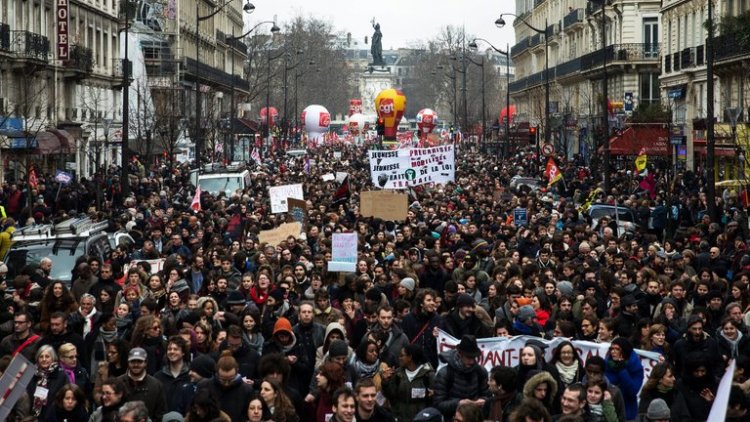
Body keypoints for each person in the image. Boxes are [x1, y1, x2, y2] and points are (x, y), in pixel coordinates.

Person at [432, 334, 488, 418]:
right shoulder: (445, 373)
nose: (472, 361)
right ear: (460, 354)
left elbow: (487, 396)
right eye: (468, 357)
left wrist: (484, 401)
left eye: (474, 357)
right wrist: (459, 403)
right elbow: (438, 404)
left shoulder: (480, 372)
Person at [381, 344, 435, 422]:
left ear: (410, 357)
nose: (399, 358)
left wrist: (433, 395)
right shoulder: (397, 374)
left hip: (421, 419)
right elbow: (390, 395)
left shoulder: (428, 375)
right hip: (400, 418)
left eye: (402, 356)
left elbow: (434, 400)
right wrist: (385, 382)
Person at [196, 350, 254, 421]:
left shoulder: (246, 390)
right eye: (223, 380)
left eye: (230, 379)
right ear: (217, 373)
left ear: (237, 372)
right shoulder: (204, 386)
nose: (226, 384)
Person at [116, 347, 168, 421]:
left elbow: (161, 413)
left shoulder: (156, 385)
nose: (136, 364)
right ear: (128, 362)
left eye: (139, 361)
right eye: (133, 361)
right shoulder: (118, 383)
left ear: (145, 363)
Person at [27, 344, 67, 420]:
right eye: (41, 356)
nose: (44, 359)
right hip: (33, 417)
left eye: (47, 356)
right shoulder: (31, 374)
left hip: (54, 417)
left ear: (53, 358)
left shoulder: (61, 375)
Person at [154, 335, 191, 413]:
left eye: (176, 349)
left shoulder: (190, 375)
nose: (172, 352)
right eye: (169, 349)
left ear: (183, 352)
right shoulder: (158, 376)